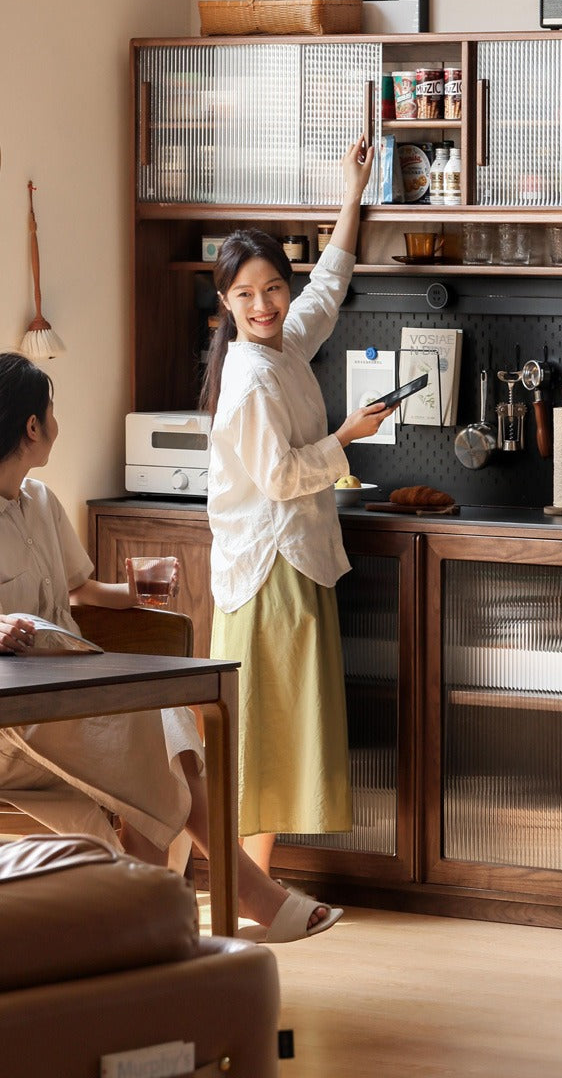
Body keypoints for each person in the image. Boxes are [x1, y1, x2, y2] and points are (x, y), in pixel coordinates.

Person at [0, 351, 338, 941]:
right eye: (51, 413)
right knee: (147, 733)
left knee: (172, 718)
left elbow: (80, 590)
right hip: (14, 718)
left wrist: (133, 592)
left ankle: (153, 920)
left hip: (72, 688)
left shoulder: (42, 502)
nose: (57, 422)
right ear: (33, 426)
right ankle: (220, 900)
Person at [201, 136, 392, 875]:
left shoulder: (282, 345)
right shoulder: (250, 380)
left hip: (294, 563)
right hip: (268, 572)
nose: (263, 304)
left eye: (272, 289)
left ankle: (253, 883)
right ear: (225, 302)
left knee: (276, 733)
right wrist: (347, 435)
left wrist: (353, 194)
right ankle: (243, 887)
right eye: (244, 295)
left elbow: (328, 291)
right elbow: (280, 478)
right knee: (263, 738)